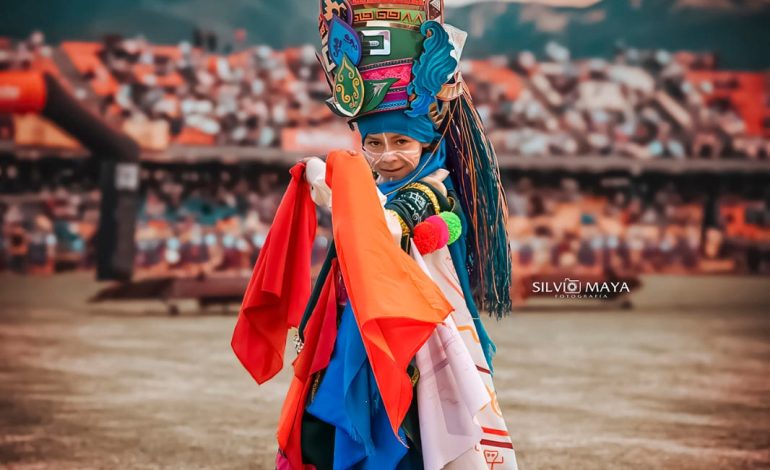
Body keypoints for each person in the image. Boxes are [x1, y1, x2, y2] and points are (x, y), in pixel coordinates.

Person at [232, 1, 518, 469]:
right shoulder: (370, 186)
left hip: (411, 343)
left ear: (427, 141)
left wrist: (334, 186)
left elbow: (394, 229)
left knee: (400, 442)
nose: (386, 157)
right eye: (373, 144)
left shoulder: (434, 188)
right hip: (354, 330)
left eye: (401, 142)